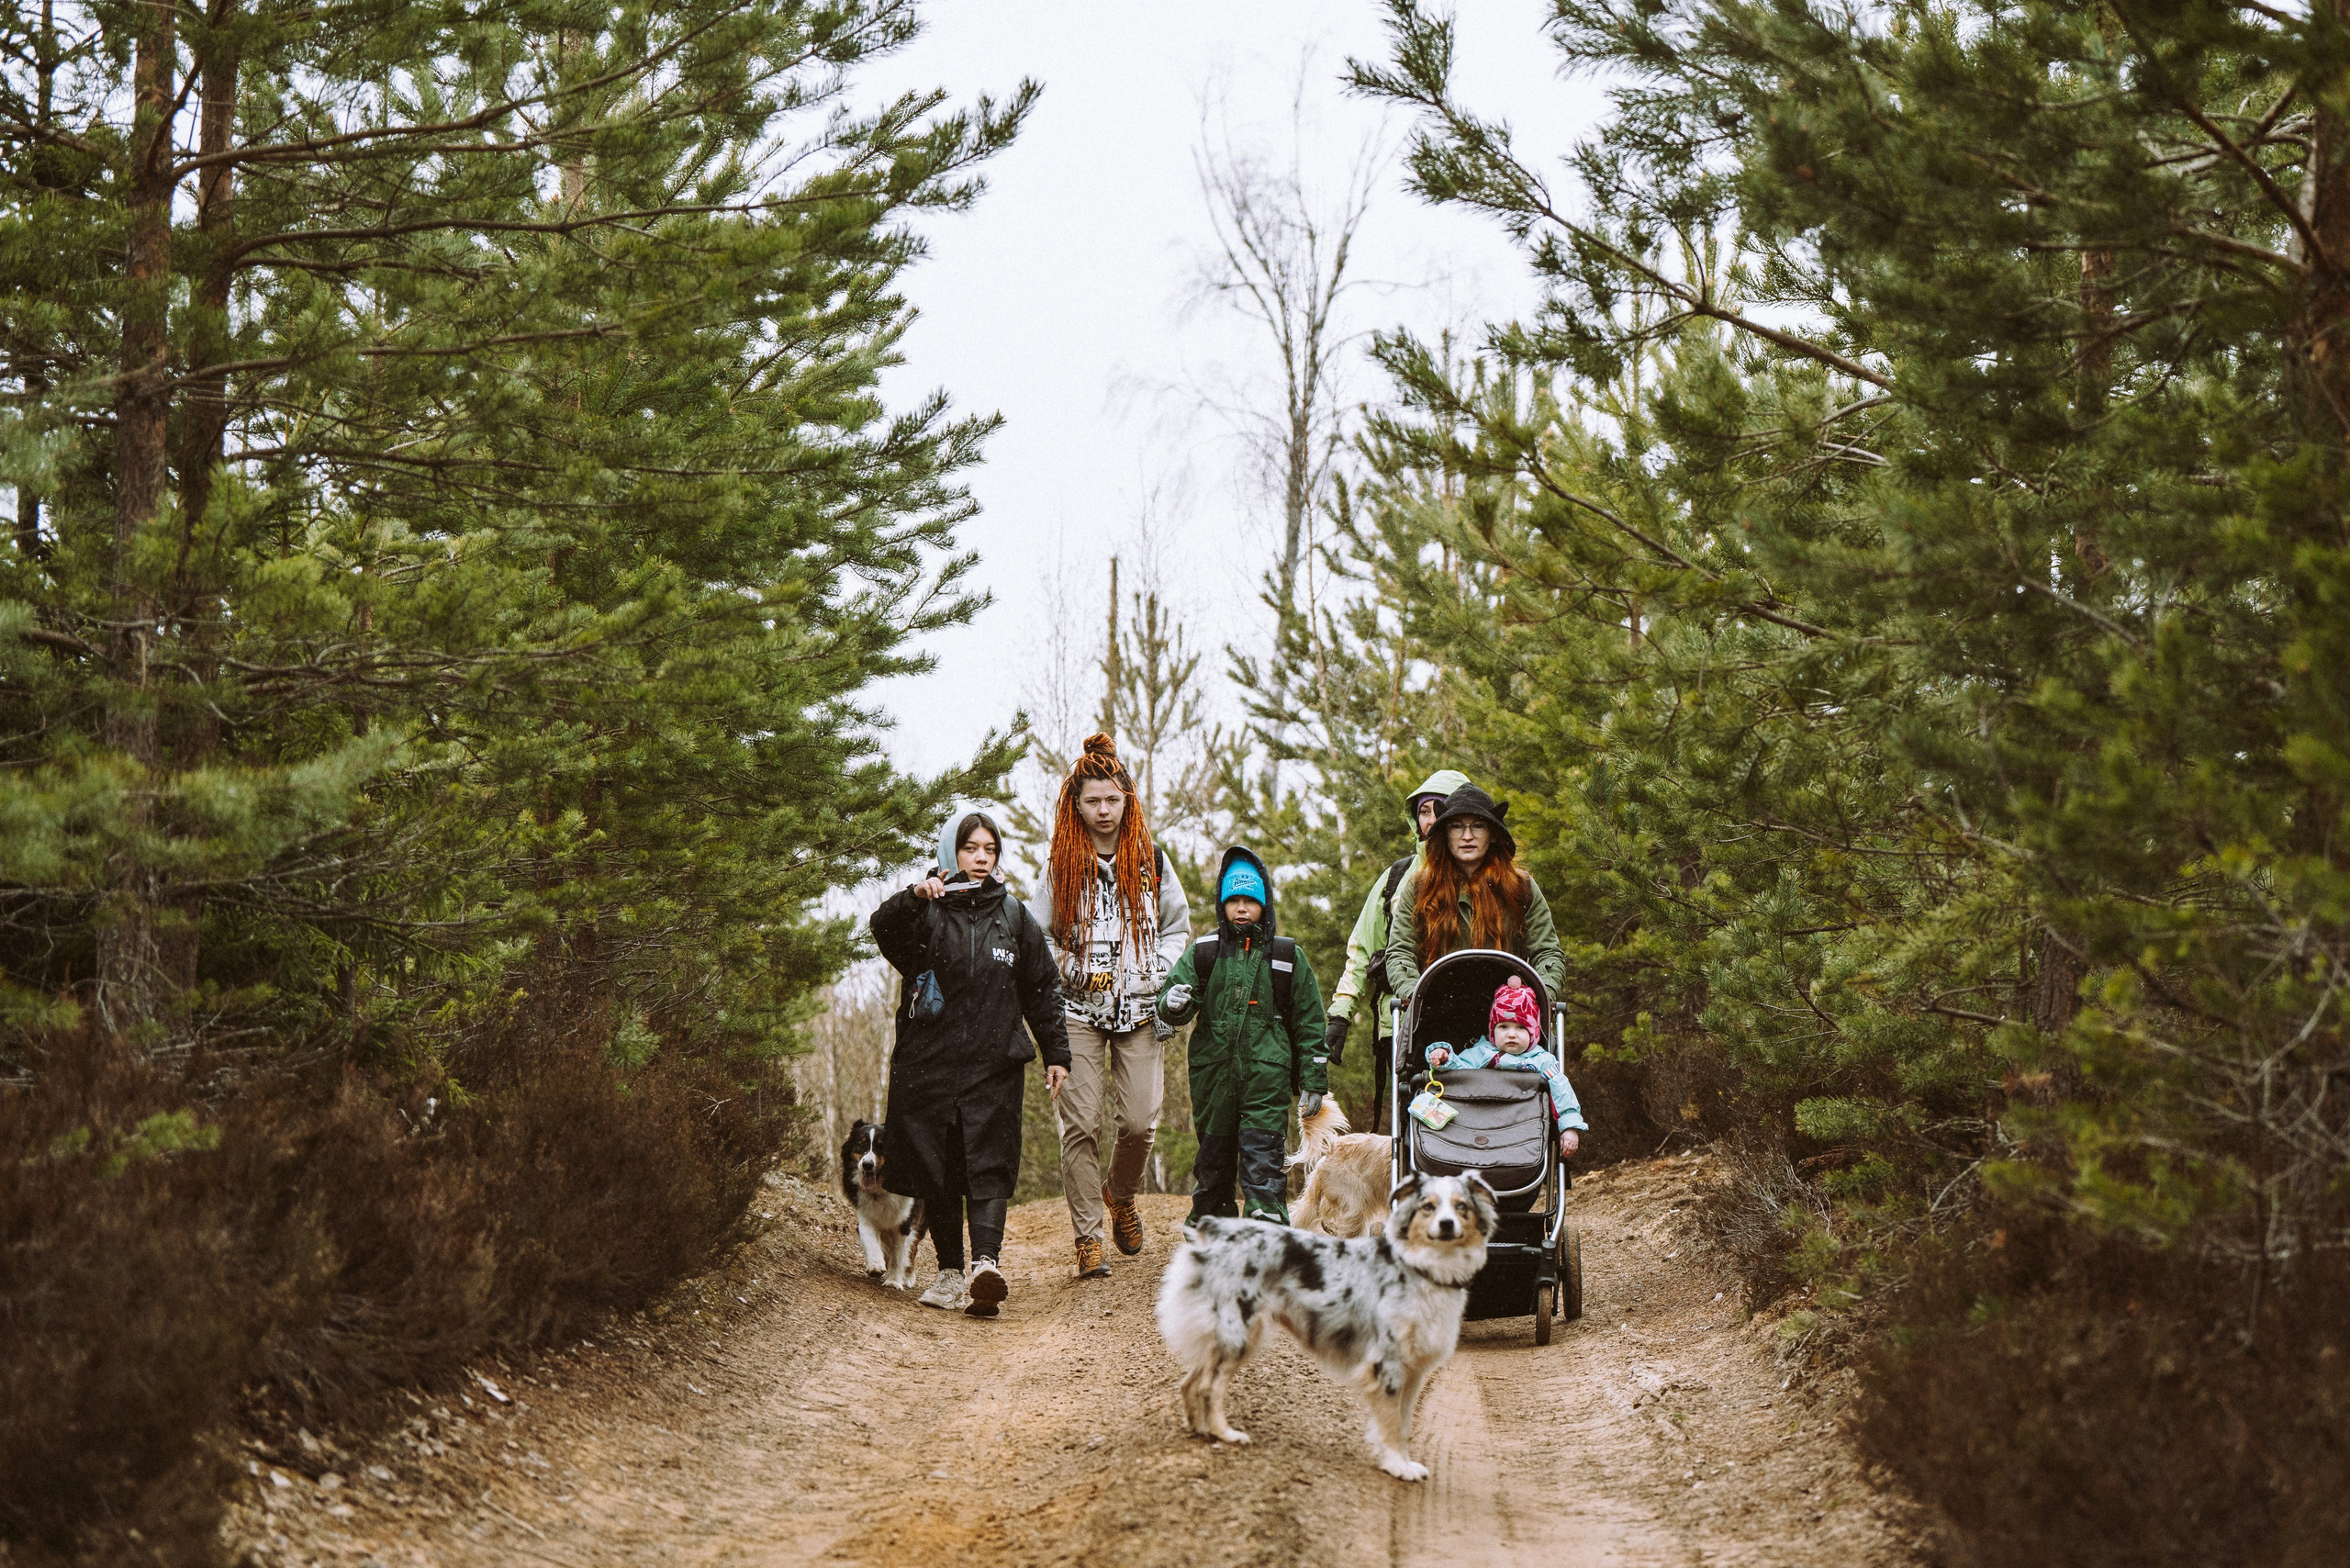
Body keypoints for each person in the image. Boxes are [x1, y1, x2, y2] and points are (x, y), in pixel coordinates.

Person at [871, 804, 1070, 1316]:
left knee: (988, 1163)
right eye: (970, 848)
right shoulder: (927, 913)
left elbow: (1043, 988)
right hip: (931, 1065)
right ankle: (950, 1273)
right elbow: (882, 929)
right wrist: (915, 894)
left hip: (994, 1063)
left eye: (990, 849)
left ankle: (985, 1266)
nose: (981, 858)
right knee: (939, 1168)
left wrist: (1057, 1054)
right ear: (951, 852)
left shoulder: (1014, 917)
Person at [1024, 734, 1191, 1279]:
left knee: (1140, 1122)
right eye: (1092, 801)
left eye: (1111, 800)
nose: (1102, 810)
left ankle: (1120, 1195)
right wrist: (1072, 969)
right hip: (1077, 1014)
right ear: (1077, 805)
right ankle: (1088, 1238)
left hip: (1140, 1012)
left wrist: (1156, 974)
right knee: (1079, 1127)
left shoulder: (1152, 862)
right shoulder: (1059, 867)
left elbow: (1177, 929)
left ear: (1127, 800)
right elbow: (1039, 940)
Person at [1155, 846, 1329, 1226]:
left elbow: (1310, 1022)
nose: (1242, 908)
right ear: (1222, 904)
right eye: (1233, 899)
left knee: (1263, 1154)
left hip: (1268, 1075)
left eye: (1250, 899)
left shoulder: (1286, 956)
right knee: (1214, 1156)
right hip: (1213, 1074)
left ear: (1264, 904)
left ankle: (1266, 1219)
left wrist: (1314, 1080)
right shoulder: (1205, 952)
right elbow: (1172, 1004)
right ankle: (1211, 1220)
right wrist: (1172, 1002)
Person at [1325, 768, 1470, 1132]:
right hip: (1403, 1023)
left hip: (1472, 1024)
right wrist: (1341, 1014)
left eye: (1441, 808)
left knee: (1467, 1120)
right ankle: (1417, 1186)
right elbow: (1363, 949)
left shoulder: (1482, 875)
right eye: (1424, 810)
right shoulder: (1396, 879)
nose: (1432, 818)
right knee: (1418, 1123)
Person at [1382, 782, 1567, 1020]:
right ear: (1445, 835)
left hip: (1508, 1018)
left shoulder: (1520, 887)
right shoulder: (1420, 888)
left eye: (1478, 826)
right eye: (1457, 826)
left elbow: (1548, 952)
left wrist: (1540, 997)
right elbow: (1400, 952)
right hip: (1437, 1015)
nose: (1467, 836)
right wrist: (1415, 996)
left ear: (1492, 834)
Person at [1425, 977, 1587, 1162]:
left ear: (1533, 1032)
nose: (1511, 1034)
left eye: (1520, 1027)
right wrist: (1444, 1057)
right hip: (1478, 1122)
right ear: (1492, 1030)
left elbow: (1562, 1093)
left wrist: (1569, 1127)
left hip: (1522, 1129)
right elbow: (1458, 1071)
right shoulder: (1481, 1053)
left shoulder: (1542, 1061)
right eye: (1503, 1027)